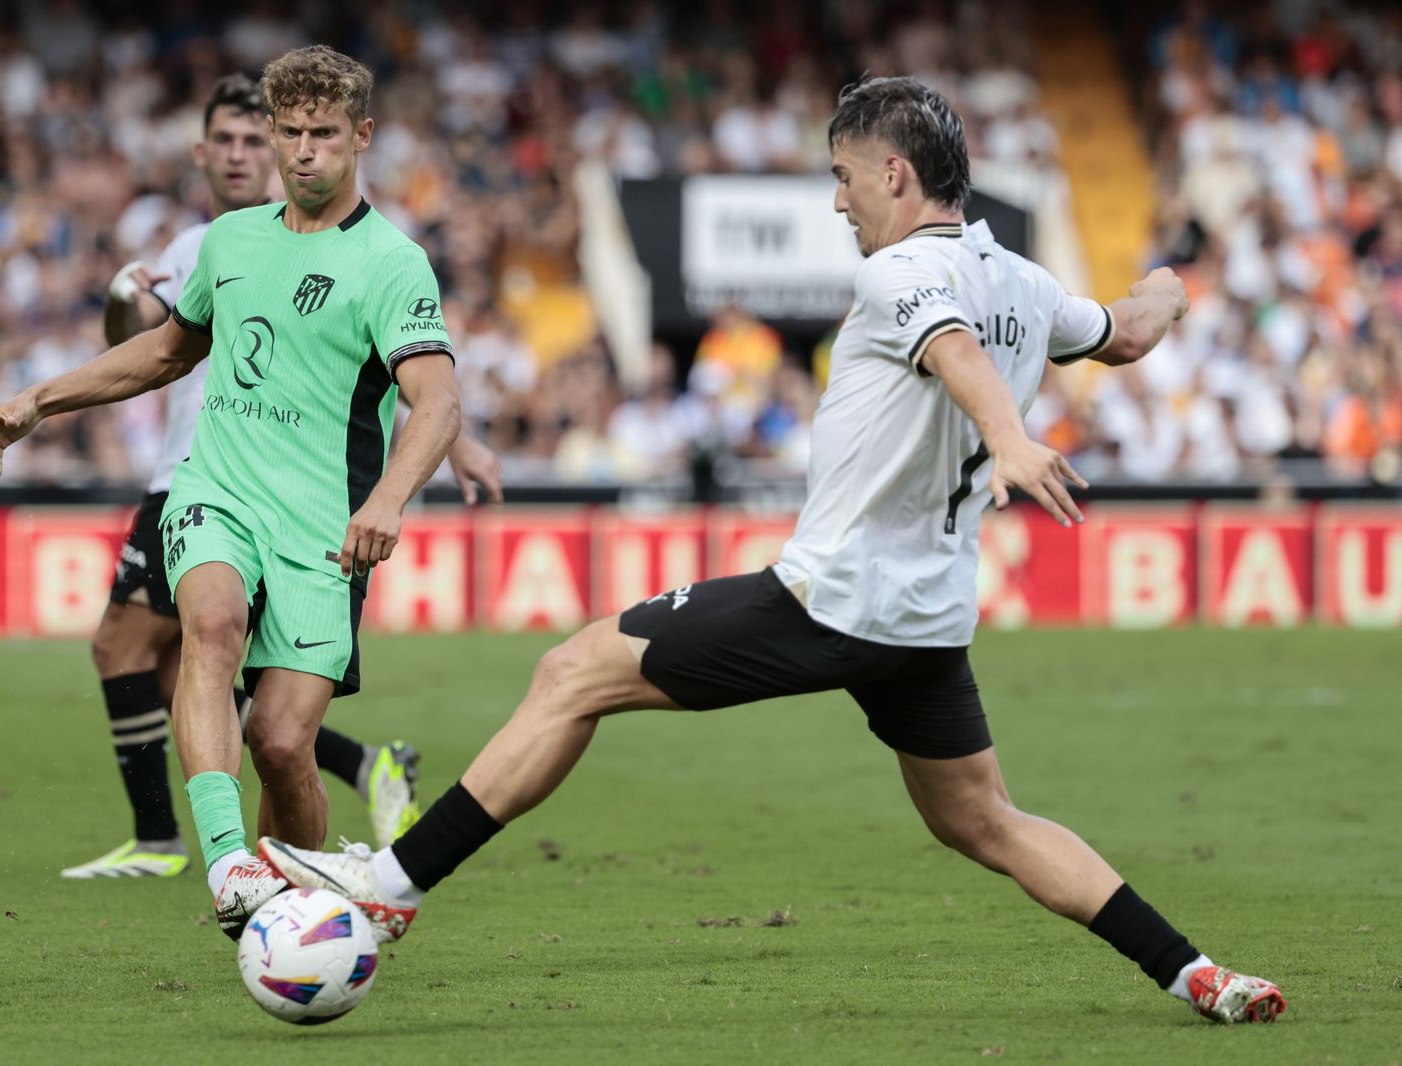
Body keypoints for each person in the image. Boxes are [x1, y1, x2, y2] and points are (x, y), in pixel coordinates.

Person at [258, 74, 1287, 1026]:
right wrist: (1168, 285)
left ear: (893, 173)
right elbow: (1124, 331)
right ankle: (1196, 971)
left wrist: (1010, 436)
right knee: (986, 821)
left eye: (842, 178)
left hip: (829, 602)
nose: (837, 203)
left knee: (572, 671)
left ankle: (389, 890)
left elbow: (951, 351)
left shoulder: (902, 274)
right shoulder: (1024, 280)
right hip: (925, 620)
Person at [0, 46, 479, 939]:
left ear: (362, 137)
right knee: (207, 625)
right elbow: (170, 351)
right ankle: (229, 865)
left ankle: (301, 910)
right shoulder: (229, 243)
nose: (304, 153)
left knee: (281, 744)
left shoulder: (394, 263)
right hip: (216, 491)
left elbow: (435, 402)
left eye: (325, 134)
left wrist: (389, 499)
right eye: (291, 133)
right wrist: (38, 400)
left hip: (326, 524)